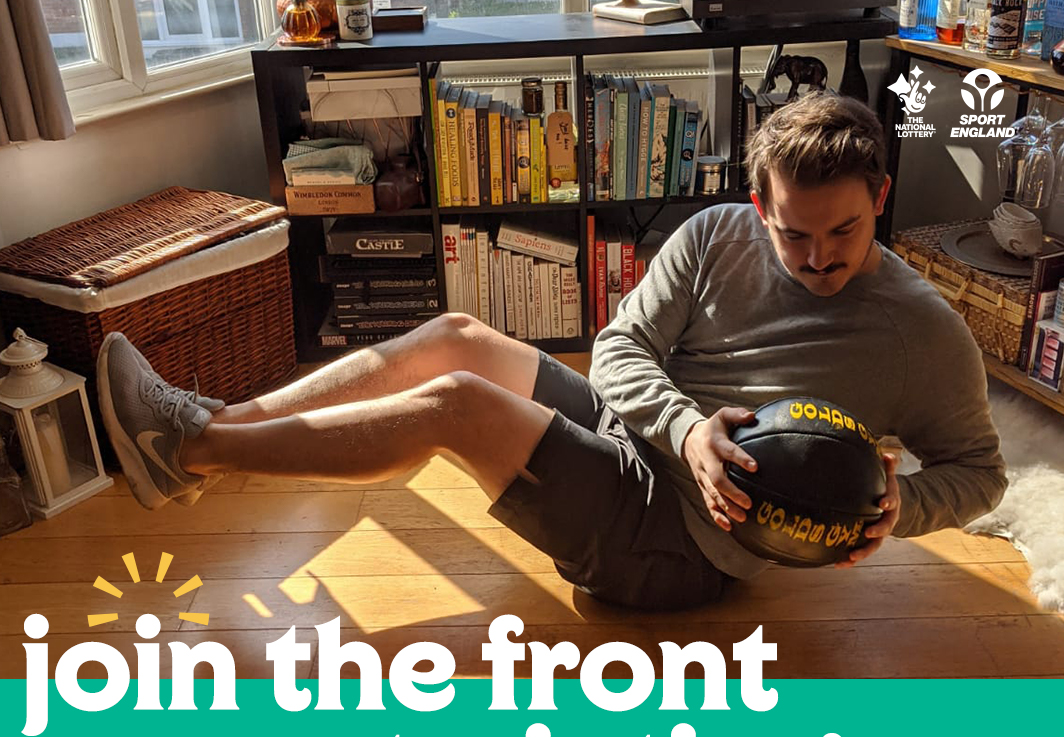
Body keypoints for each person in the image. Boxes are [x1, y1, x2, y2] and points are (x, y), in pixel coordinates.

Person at [97, 93, 1006, 611]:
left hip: (680, 545)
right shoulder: (718, 233)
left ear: (879, 197)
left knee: (458, 402)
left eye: (841, 231)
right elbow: (618, 348)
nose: (815, 258)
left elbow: (981, 473)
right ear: (760, 205)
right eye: (791, 234)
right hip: (644, 438)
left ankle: (186, 447)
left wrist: (894, 507)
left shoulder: (922, 331)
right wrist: (686, 427)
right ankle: (208, 431)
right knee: (456, 336)